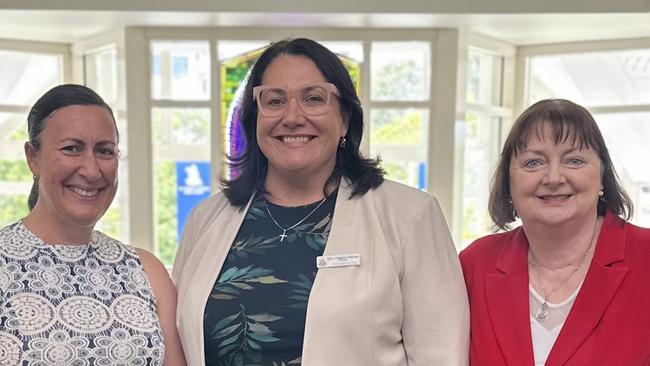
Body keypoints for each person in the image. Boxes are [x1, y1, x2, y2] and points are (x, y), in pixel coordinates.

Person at [173, 38, 469, 366]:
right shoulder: (205, 219)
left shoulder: (411, 216)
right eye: (274, 100)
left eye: (314, 98)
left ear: (344, 119)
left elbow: (441, 355)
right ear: (255, 119)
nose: (292, 116)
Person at [0, 84, 186, 365]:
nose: (91, 170)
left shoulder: (147, 273)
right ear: (33, 158)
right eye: (72, 148)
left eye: (104, 151)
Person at [460, 99, 650, 365]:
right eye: (533, 163)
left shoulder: (646, 258)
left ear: (602, 177)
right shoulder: (475, 264)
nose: (553, 177)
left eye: (574, 160)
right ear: (509, 182)